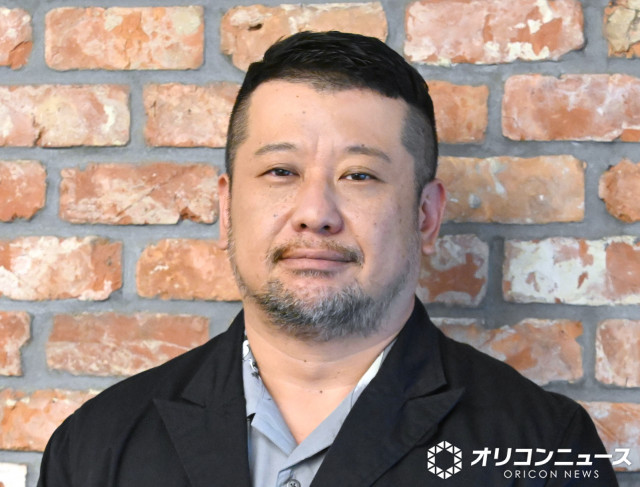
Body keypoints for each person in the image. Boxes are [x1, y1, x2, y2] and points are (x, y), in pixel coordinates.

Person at [38, 31, 619, 486]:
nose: (315, 213)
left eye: (360, 175)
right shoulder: (94, 446)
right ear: (227, 209)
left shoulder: (544, 447)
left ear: (425, 216)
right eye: (280, 171)